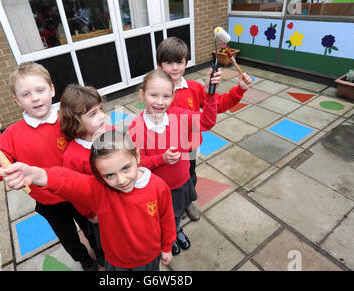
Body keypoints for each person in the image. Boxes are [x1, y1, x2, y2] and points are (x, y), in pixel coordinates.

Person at [0, 62, 100, 271]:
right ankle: (85, 261)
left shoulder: (69, 119)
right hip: (48, 201)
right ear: (17, 100)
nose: (35, 98)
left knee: (92, 229)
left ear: (52, 90)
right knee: (69, 238)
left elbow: (94, 142)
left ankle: (101, 254)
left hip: (80, 191)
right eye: (26, 94)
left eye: (40, 90)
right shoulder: (12, 136)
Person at [0, 130, 177, 271]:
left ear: (137, 156)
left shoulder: (157, 186)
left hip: (149, 257)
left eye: (126, 168)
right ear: (99, 175)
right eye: (110, 175)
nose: (121, 180)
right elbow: (71, 181)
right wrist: (38, 175)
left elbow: (166, 218)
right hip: (115, 260)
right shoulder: (101, 190)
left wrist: (167, 246)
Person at [155, 37, 253, 221]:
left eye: (179, 62)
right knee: (167, 181)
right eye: (169, 62)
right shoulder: (156, 91)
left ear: (186, 63)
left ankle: (187, 202)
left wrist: (237, 90)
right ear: (160, 65)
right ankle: (172, 207)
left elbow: (218, 105)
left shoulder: (194, 88)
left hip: (189, 146)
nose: (175, 67)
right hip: (164, 148)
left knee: (189, 176)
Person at [128, 69, 218, 256]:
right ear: (142, 94)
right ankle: (167, 238)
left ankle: (175, 231)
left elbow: (207, 121)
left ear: (173, 96)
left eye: (166, 96)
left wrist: (210, 92)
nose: (160, 102)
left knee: (176, 214)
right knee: (163, 217)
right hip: (159, 188)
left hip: (182, 181)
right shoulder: (137, 127)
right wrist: (162, 159)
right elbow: (138, 163)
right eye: (154, 95)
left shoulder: (179, 115)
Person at [59, 84, 110, 266]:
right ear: (75, 120)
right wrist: (89, 214)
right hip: (98, 212)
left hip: (119, 201)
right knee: (107, 242)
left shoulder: (109, 133)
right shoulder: (72, 156)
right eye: (93, 114)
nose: (102, 116)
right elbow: (75, 191)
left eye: (101, 109)